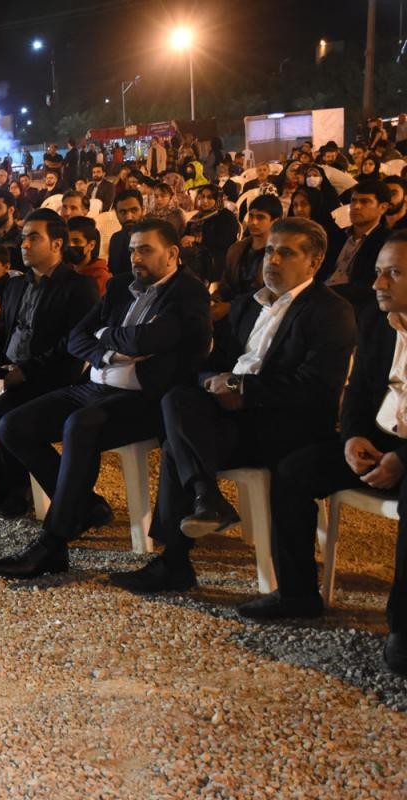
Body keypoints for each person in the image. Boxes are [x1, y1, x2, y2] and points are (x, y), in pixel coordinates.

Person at [109, 218, 357, 592]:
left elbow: (316, 388)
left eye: (286, 253)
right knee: (177, 401)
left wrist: (243, 388)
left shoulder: (330, 311)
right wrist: (212, 382)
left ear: (315, 261)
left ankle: (178, 556)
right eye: (269, 251)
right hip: (232, 417)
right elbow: (207, 363)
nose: (273, 260)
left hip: (284, 425)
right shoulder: (246, 306)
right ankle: (206, 498)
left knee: (178, 446)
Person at [0, 218, 211, 579]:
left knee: (81, 425)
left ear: (172, 254)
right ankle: (84, 506)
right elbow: (78, 338)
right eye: (132, 250)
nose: (135, 257)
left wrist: (105, 334)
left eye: (146, 250)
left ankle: (53, 542)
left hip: (146, 397)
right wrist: (109, 352)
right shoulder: (121, 285)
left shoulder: (189, 292)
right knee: (13, 425)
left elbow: (149, 339)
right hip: (95, 385)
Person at [236, 231, 407, 678]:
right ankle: (297, 593)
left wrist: (403, 459)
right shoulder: (376, 321)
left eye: (394, 273)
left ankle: (402, 627)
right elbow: (357, 392)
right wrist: (351, 438)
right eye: (378, 272)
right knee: (294, 471)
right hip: (376, 442)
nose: (378, 284)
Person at [0, 210, 97, 515]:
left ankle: (20, 489)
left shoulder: (79, 287)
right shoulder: (16, 285)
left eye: (33, 238)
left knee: (0, 412)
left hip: (49, 377)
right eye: (23, 237)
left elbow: (71, 346)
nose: (24, 244)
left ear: (57, 244)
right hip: (7, 371)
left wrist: (25, 372)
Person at [319, 179, 392, 310]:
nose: (356, 206)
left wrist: (325, 294)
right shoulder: (337, 236)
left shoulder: (387, 242)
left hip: (354, 306)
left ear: (382, 208)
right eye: (353, 201)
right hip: (322, 297)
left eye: (365, 201)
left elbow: (370, 285)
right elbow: (320, 271)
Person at [215, 194, 282, 320]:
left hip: (259, 316)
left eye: (260, 217)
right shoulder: (236, 249)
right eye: (251, 216)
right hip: (229, 313)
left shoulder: (278, 256)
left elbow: (270, 295)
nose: (253, 222)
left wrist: (231, 307)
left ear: (275, 221)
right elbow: (226, 284)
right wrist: (215, 300)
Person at [179, 183, 240, 284]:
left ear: (218, 199)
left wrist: (196, 239)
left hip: (213, 258)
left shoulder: (226, 217)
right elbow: (186, 235)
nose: (204, 201)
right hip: (192, 254)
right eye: (202, 197)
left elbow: (225, 241)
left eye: (210, 197)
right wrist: (185, 241)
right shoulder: (198, 216)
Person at [65, 215, 110, 296]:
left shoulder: (101, 277)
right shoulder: (65, 269)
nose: (70, 245)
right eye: (67, 242)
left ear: (91, 245)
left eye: (76, 241)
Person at [105, 189, 145, 277]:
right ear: (116, 214)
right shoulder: (116, 238)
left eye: (134, 210)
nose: (129, 217)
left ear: (143, 210)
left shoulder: (154, 238)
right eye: (123, 212)